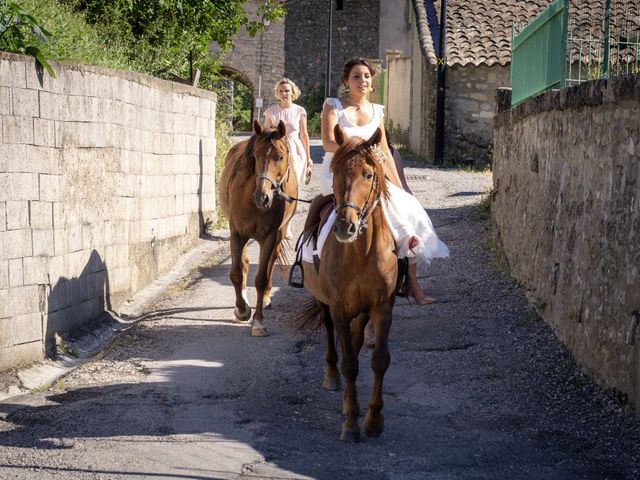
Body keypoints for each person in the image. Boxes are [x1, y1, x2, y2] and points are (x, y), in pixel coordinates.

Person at [319, 58, 449, 307]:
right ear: (346, 81)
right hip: (340, 173)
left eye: (367, 76)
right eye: (356, 76)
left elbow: (384, 152)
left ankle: (412, 282)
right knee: (330, 212)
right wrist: (359, 150)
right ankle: (310, 260)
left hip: (370, 175)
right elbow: (327, 142)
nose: (363, 80)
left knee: (407, 211)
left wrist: (400, 186)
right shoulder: (332, 106)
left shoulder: (377, 110)